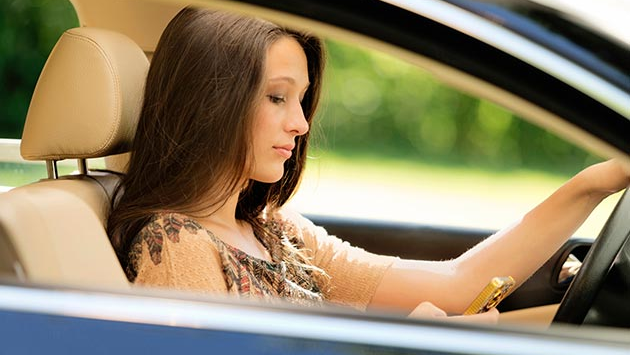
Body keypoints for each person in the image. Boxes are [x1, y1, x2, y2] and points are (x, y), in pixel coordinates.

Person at [107, 7, 630, 323]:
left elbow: (455, 285)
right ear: (211, 102)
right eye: (276, 98)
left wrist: (595, 183)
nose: (300, 124)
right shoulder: (175, 246)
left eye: (301, 101)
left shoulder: (273, 230)